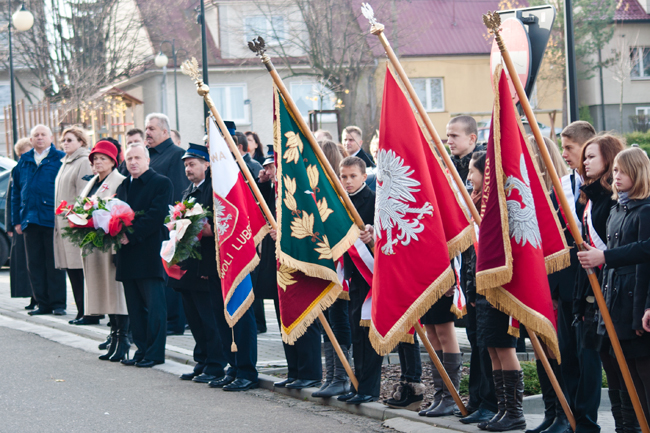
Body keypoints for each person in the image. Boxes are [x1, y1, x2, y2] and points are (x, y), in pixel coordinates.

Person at [581, 147, 650, 426]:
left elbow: (645, 253)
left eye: (623, 171)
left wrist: (605, 256)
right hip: (616, 305)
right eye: (616, 170)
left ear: (638, 172)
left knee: (644, 378)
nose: (616, 176)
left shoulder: (646, 209)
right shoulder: (617, 210)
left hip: (637, 306)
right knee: (625, 379)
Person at [443, 116, 495, 423]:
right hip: (465, 268)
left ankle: (490, 401)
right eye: (447, 135)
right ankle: (477, 399)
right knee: (475, 339)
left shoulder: (482, 165)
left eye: (454, 135)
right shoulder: (451, 169)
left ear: (473, 138)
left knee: (486, 342)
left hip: (481, 270)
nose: (449, 140)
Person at [576, 134, 626, 432]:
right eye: (585, 157)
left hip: (616, 293)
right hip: (594, 293)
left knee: (623, 369)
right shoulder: (590, 198)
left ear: (610, 158)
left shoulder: (612, 201)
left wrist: (603, 258)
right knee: (608, 365)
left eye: (591, 156)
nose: (585, 162)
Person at [170, 143, 228, 384]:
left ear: (207, 164)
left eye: (192, 164)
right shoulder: (188, 191)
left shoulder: (212, 190)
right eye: (186, 165)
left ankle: (215, 365)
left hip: (206, 264)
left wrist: (205, 230)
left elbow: (218, 227)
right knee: (194, 318)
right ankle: (202, 361)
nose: (188, 169)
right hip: (189, 264)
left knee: (209, 318)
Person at [526, 135, 570, 433]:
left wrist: (553, 290)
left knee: (557, 352)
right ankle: (551, 411)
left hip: (555, 289)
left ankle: (565, 414)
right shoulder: (529, 197)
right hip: (536, 285)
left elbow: (562, 249)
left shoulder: (560, 196)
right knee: (541, 352)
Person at [115, 143, 173, 368]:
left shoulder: (161, 182)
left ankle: (155, 353)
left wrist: (130, 235)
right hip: (127, 254)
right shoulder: (123, 185)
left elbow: (156, 216)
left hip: (149, 252)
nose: (133, 162)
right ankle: (141, 350)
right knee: (135, 307)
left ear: (148, 160)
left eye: (137, 158)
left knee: (155, 307)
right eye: (129, 158)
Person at [336, 156, 381, 404]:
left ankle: (370, 388)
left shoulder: (374, 201)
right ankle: (358, 384)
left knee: (368, 331)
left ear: (364, 176)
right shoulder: (341, 202)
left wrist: (373, 235)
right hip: (353, 273)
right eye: (344, 176)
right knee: (356, 330)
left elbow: (384, 232)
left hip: (372, 275)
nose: (348, 181)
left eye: (353, 176)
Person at [79, 140, 129, 361]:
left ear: (112, 161)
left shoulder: (119, 181)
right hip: (95, 245)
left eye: (103, 159)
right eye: (95, 159)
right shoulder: (93, 182)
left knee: (115, 293)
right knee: (104, 292)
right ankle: (113, 336)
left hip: (110, 245)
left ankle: (122, 339)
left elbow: (121, 212)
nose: (98, 162)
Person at [312, 139, 353, 399]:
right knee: (328, 319)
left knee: (339, 320)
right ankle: (332, 375)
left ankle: (342, 376)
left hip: (340, 264)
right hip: (325, 260)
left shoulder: (337, 190)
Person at [12, 125, 67, 316]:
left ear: (51, 138)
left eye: (43, 134)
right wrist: (16, 221)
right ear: (31, 139)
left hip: (52, 219)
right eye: (36, 135)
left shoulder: (59, 158)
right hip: (30, 220)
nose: (40, 137)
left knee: (54, 263)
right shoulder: (24, 161)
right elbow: (16, 192)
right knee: (34, 264)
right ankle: (42, 304)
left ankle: (58, 304)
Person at [144, 113, 190, 336]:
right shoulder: (147, 155)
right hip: (149, 228)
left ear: (165, 132)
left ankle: (174, 322)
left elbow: (179, 192)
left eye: (151, 129)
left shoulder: (176, 154)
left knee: (170, 276)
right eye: (146, 128)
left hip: (167, 228)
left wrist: (174, 227)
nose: (147, 133)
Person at [53, 127, 93, 324]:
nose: (65, 143)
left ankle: (89, 312)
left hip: (75, 225)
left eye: (70, 140)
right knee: (72, 270)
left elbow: (83, 195)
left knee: (81, 269)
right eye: (63, 140)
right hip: (63, 225)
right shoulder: (65, 162)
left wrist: (77, 218)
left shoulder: (83, 161)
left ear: (81, 142)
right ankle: (81, 310)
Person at [7, 138, 35, 307]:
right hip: (21, 221)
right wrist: (11, 224)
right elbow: (12, 198)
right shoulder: (17, 170)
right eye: (20, 155)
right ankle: (32, 295)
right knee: (25, 263)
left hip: (33, 220)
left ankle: (37, 296)